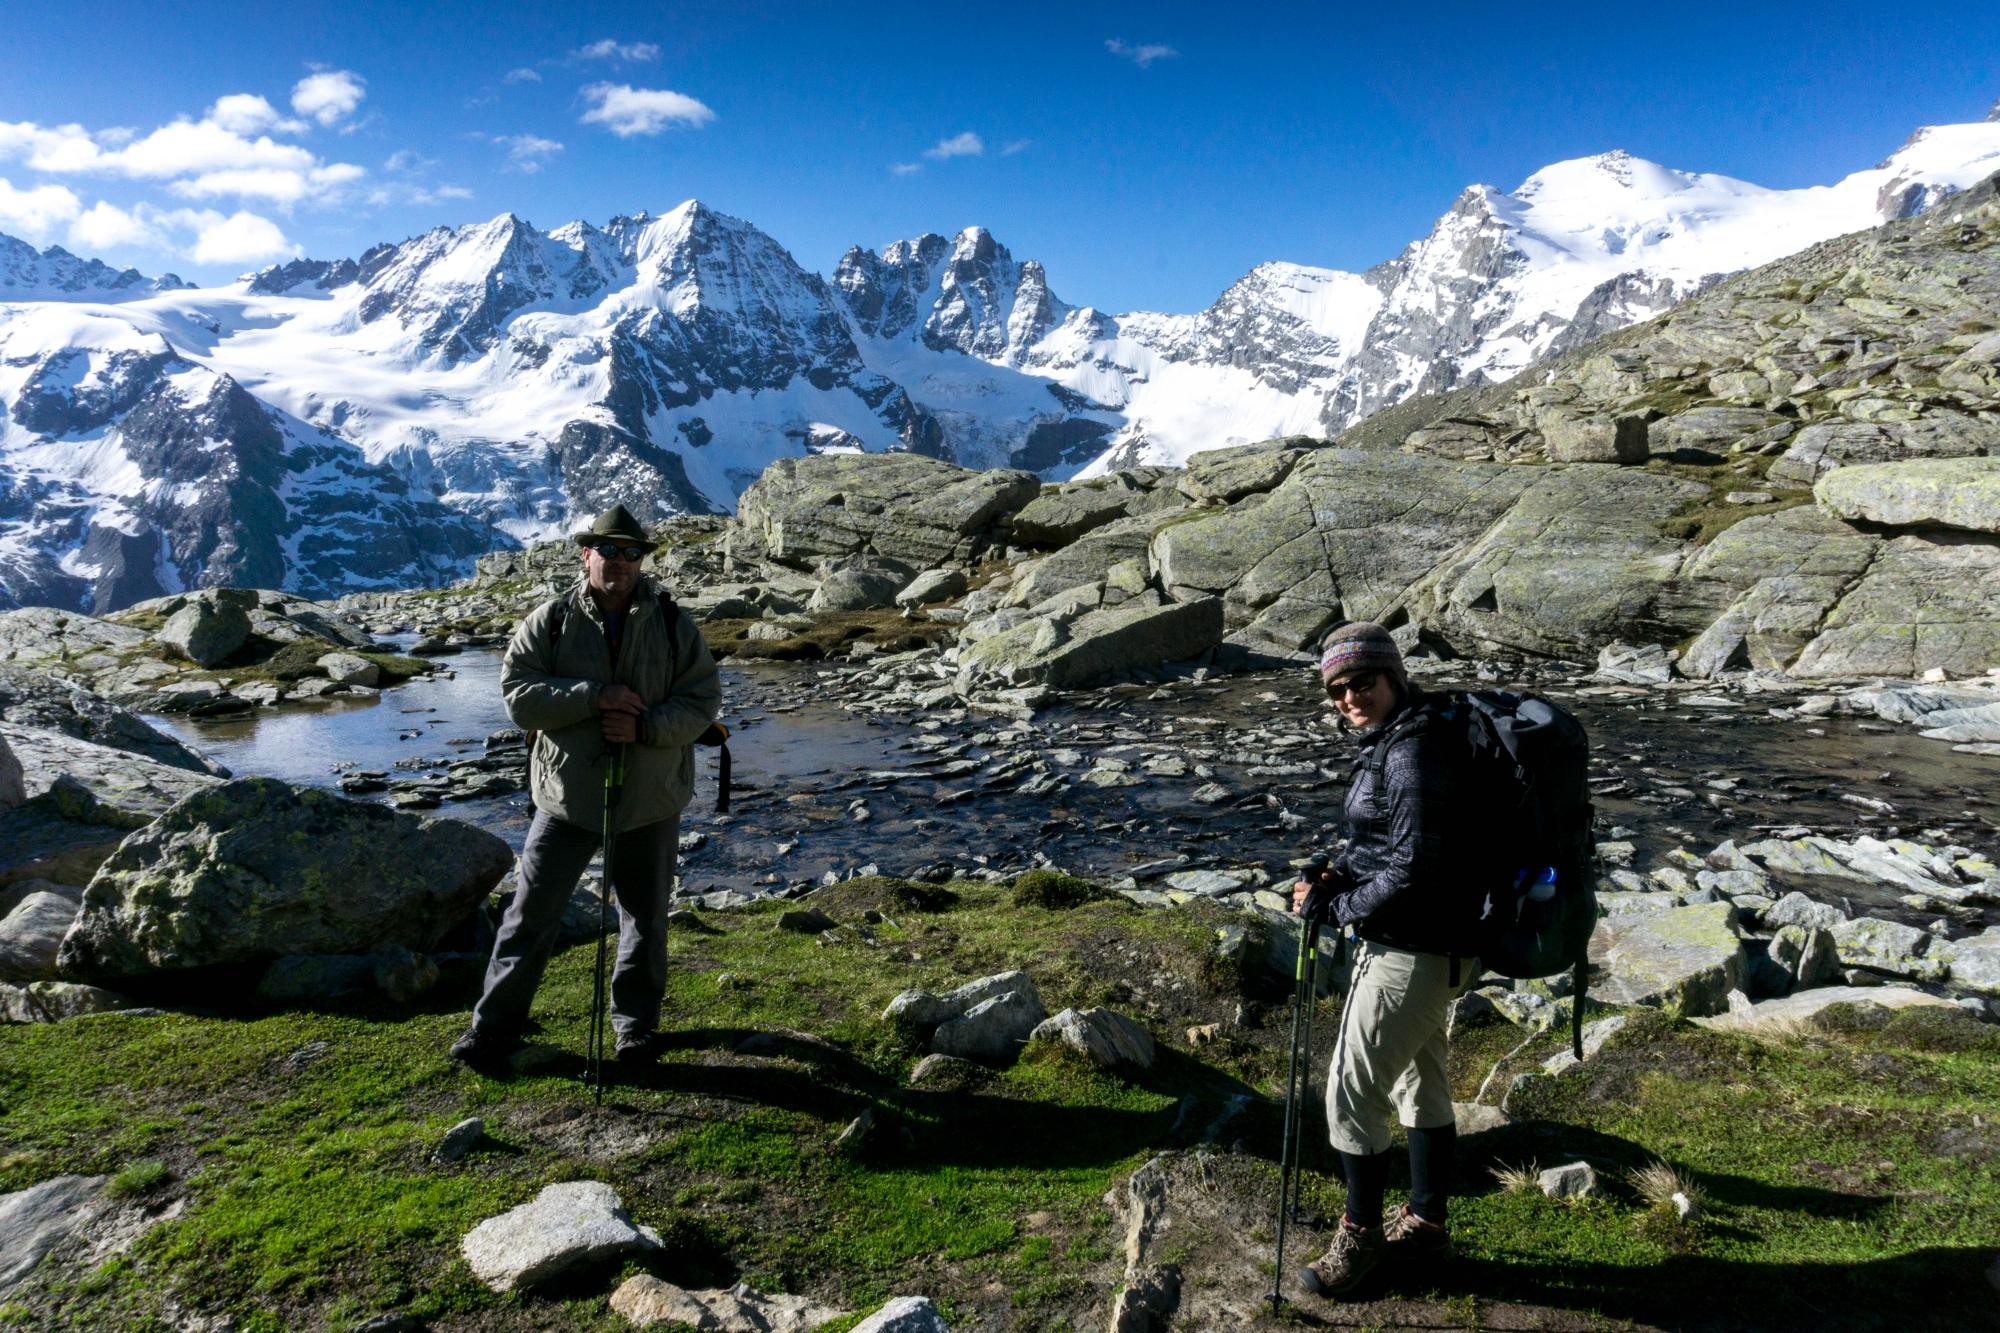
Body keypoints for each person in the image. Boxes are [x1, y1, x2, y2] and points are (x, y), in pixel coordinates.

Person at [451, 503, 722, 1074]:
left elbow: (701, 703)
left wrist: (645, 726)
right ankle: (492, 1030)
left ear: (642, 560)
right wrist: (592, 696)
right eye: (609, 551)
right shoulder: (549, 621)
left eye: (632, 553)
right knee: (529, 916)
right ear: (586, 555)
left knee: (645, 922)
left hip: (649, 802)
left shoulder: (674, 624)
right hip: (565, 800)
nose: (620, 563)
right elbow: (518, 695)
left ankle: (635, 1033)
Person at [1292, 621, 1473, 1299]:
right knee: (1421, 1081)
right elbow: (1392, 844)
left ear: (1394, 675)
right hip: (1436, 942)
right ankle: (1426, 1227)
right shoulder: (1404, 738)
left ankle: (1360, 1241)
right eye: (1337, 689)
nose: (1349, 697)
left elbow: (1418, 866)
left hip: (1416, 945)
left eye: (1361, 682)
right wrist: (1337, 873)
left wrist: (1336, 907)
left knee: (1351, 1090)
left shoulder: (1411, 750)